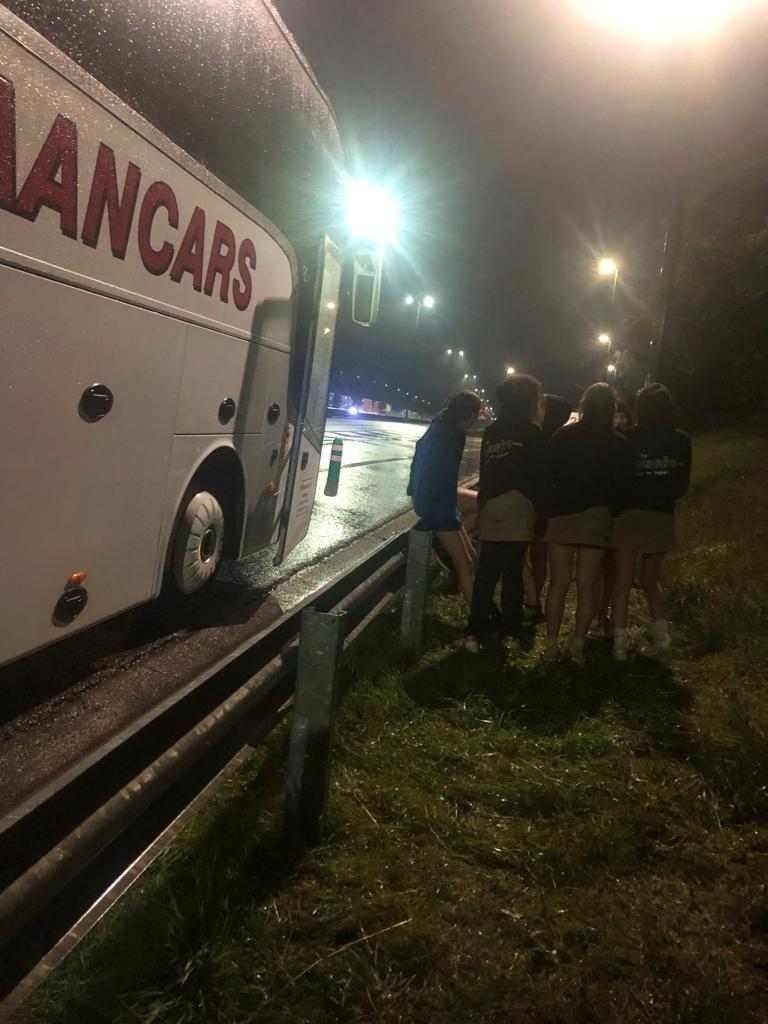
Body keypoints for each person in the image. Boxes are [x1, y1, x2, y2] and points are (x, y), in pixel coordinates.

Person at [544, 383, 627, 663]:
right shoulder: (618, 443)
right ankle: (577, 644)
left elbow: (549, 474)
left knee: (558, 583)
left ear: (585, 405)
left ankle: (551, 643)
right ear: (611, 409)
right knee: (586, 586)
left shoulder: (563, 435)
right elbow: (621, 486)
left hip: (562, 515)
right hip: (596, 517)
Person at [610, 383, 691, 660]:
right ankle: (662, 638)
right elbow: (682, 484)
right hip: (661, 516)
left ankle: (619, 644)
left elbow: (618, 480)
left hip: (629, 515)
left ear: (640, 409)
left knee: (622, 582)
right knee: (650, 580)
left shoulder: (627, 438)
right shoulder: (681, 440)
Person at [465, 375, 546, 652]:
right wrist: (540, 514)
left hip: (492, 505)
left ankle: (474, 632)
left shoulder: (493, 431)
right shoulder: (533, 433)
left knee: (486, 573)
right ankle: (510, 632)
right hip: (520, 505)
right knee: (513, 572)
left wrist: (482, 508)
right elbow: (538, 477)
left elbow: (486, 473)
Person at [407, 391, 483, 603]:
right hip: (438, 505)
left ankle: (478, 607)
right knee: (466, 564)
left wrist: (414, 490)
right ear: (470, 414)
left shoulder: (440, 425)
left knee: (471, 558)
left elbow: (421, 456)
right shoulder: (454, 434)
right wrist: (446, 516)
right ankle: (478, 615)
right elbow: (444, 476)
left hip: (434, 499)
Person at [527, 394, 573, 617]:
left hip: (535, 505)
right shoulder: (564, 439)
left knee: (529, 556)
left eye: (542, 407)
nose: (538, 410)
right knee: (539, 558)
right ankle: (534, 599)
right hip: (550, 507)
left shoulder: (538, 437)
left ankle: (530, 601)